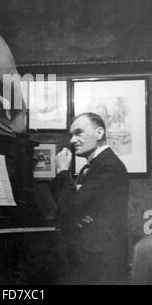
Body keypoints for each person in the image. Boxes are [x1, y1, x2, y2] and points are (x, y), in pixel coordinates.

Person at [50, 112, 129, 285]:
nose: (72, 140)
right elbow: (73, 210)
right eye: (71, 134)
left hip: (99, 264)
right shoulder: (96, 166)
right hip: (89, 256)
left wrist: (63, 171)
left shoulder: (108, 167)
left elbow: (69, 211)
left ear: (99, 133)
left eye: (79, 132)